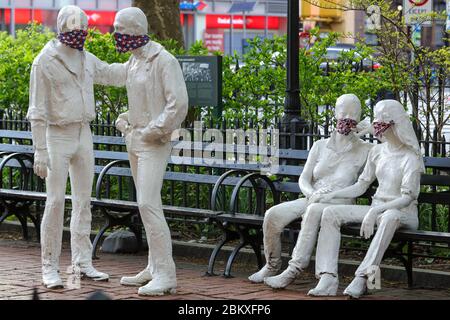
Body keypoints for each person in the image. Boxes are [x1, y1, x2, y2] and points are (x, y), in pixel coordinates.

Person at [27, 5, 125, 288]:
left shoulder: (86, 58)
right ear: (62, 28)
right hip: (57, 135)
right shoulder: (44, 61)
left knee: (84, 201)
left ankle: (82, 261)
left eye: (84, 28)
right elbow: (37, 110)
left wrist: (140, 62)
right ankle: (49, 265)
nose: (81, 34)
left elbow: (110, 74)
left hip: (83, 132)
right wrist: (40, 150)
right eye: (75, 28)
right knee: (55, 202)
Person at [247, 94, 373, 287]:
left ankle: (294, 269)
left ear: (360, 117)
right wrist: (310, 193)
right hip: (313, 197)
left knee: (314, 211)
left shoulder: (366, 149)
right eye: (344, 112)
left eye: (353, 114)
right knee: (272, 214)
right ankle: (271, 265)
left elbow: (390, 149)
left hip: (338, 202)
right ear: (335, 114)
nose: (348, 118)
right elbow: (304, 179)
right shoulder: (320, 146)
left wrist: (368, 130)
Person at [308, 99, 424, 298]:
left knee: (389, 217)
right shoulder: (377, 152)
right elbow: (361, 185)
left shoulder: (411, 158)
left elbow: (407, 198)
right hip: (377, 210)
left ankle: (363, 278)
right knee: (330, 212)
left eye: (380, 121)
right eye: (375, 120)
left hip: (403, 214)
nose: (376, 125)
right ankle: (327, 277)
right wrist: (332, 195)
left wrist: (375, 211)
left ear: (394, 124)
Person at [111, 7, 188, 296]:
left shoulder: (163, 60)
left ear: (134, 30)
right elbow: (144, 101)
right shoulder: (133, 61)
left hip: (154, 142)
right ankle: (153, 266)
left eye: (119, 29)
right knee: (145, 204)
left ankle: (166, 273)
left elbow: (178, 104)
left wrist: (152, 130)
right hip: (135, 140)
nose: (115, 34)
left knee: (147, 203)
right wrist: (128, 118)